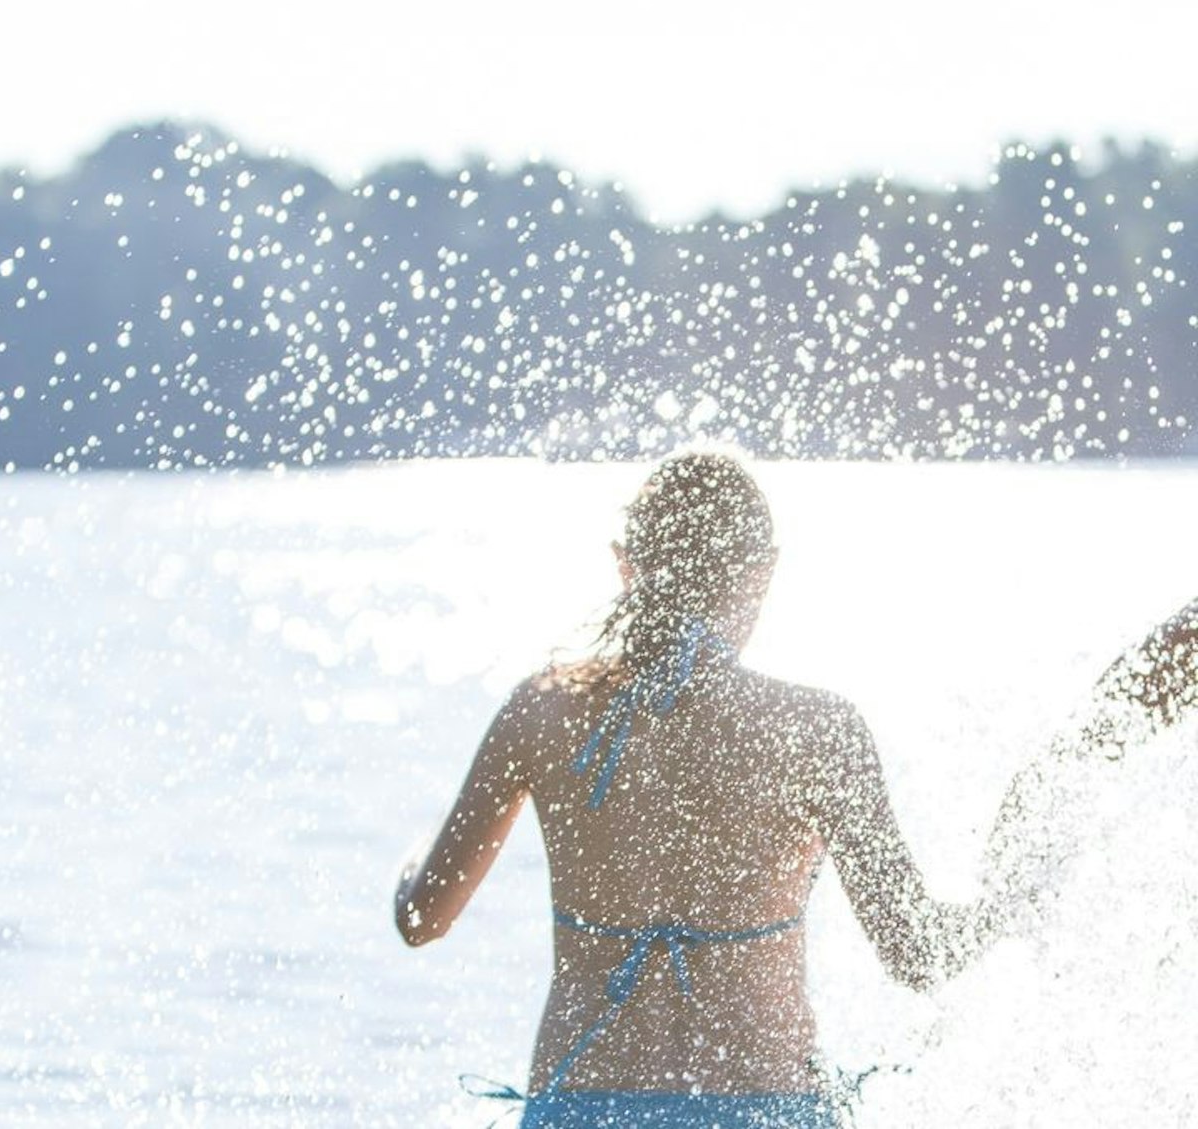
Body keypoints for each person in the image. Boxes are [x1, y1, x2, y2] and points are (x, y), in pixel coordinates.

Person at [393, 452, 1194, 1129]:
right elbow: (919, 954)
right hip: (764, 1107)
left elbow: (423, 917)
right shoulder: (816, 729)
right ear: (762, 571)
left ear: (625, 564)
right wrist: (1012, 899)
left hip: (583, 1103)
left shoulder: (543, 709)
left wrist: (408, 859)